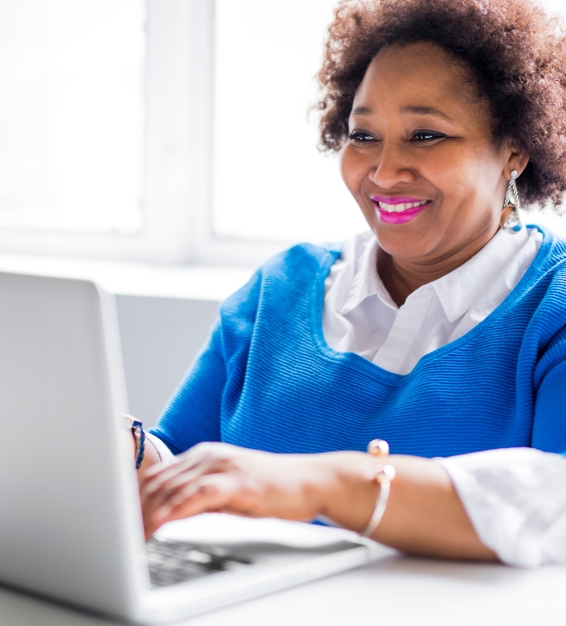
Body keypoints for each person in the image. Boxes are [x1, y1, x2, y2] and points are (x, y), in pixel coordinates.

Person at [134, 0, 566, 567]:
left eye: (427, 135)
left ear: (514, 150)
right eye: (363, 135)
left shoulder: (552, 306)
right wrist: (132, 452)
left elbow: (555, 500)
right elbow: (184, 469)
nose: (384, 173)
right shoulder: (279, 290)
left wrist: (329, 483)